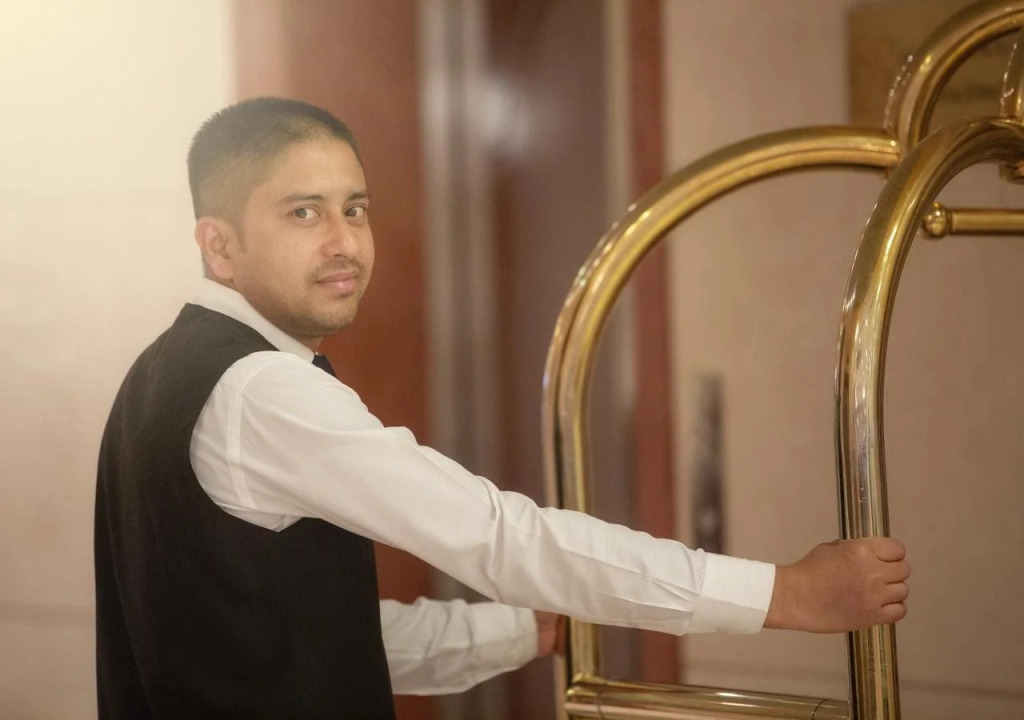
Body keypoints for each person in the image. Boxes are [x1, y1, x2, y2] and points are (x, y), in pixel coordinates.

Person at [94, 97, 911, 720]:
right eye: (303, 212)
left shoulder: (163, 376)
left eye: (355, 208)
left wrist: (522, 631)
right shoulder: (262, 391)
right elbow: (497, 536)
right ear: (219, 244)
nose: (344, 240)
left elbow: (294, 638)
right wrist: (784, 593)